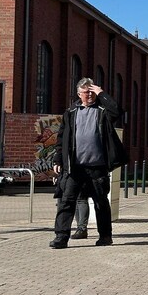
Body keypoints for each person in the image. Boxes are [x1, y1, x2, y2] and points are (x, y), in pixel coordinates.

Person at [50, 78, 125, 249]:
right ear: (79, 94)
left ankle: (105, 236)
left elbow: (117, 111)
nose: (90, 94)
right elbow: (62, 138)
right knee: (66, 202)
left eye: (92, 91)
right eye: (86, 92)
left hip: (97, 167)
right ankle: (61, 237)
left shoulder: (102, 111)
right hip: (74, 167)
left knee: (101, 202)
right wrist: (58, 158)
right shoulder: (70, 112)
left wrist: (102, 93)